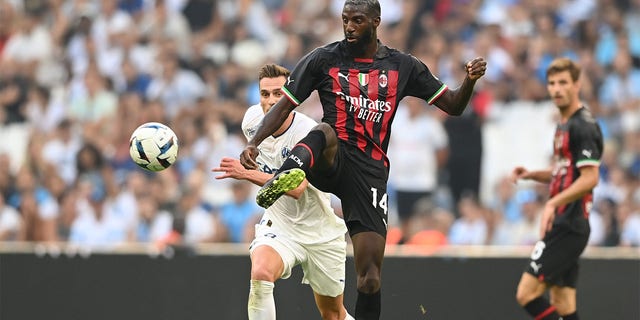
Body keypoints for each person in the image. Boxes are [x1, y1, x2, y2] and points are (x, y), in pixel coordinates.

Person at [239, 1, 486, 318]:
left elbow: (452, 105)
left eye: (357, 20)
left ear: (376, 21)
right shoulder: (323, 58)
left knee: (369, 278)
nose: (349, 27)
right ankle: (286, 174)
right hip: (331, 159)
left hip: (369, 173)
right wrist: (255, 142)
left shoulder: (402, 66)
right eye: (345, 20)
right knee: (325, 130)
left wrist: (469, 82)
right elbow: (284, 106)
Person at [213, 63, 353, 320]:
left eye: (279, 93)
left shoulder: (308, 132)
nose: (271, 101)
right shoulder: (252, 122)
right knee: (261, 273)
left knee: (333, 314)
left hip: (319, 230)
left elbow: (296, 186)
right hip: (280, 225)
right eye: (265, 94)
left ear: (292, 97)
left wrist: (245, 173)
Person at [512, 57, 603, 320]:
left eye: (563, 82)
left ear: (577, 85)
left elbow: (590, 177)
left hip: (569, 224)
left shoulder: (583, 125)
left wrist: (551, 204)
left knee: (526, 293)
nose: (556, 89)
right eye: (552, 83)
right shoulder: (563, 124)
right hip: (565, 224)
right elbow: (566, 172)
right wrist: (533, 175)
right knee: (563, 303)